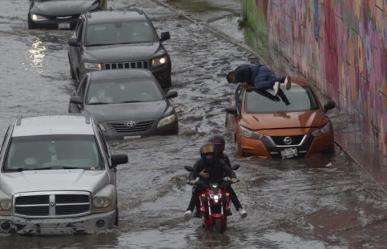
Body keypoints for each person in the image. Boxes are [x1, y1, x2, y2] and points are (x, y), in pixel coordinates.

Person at [184, 143, 247, 220]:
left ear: (214, 155)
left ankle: (240, 209)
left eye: (210, 154)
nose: (209, 156)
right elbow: (193, 172)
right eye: (207, 155)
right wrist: (192, 180)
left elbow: (228, 170)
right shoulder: (199, 162)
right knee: (196, 190)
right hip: (204, 184)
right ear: (203, 155)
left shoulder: (220, 161)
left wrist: (233, 177)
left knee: (230, 190)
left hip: (219, 183)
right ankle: (190, 210)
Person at [226, 63, 291, 95]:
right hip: (263, 69)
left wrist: (246, 82)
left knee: (258, 84)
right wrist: (251, 87)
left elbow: (247, 70)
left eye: (232, 80)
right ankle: (284, 79)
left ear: (232, 75)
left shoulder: (237, 73)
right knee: (270, 81)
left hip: (259, 72)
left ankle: (274, 85)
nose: (234, 82)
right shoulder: (239, 72)